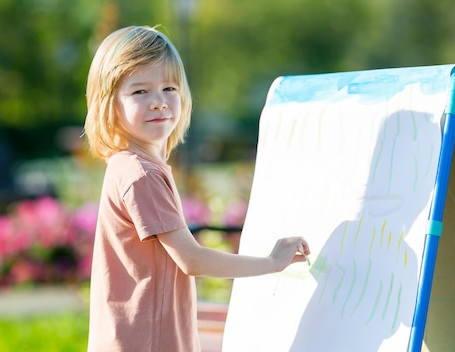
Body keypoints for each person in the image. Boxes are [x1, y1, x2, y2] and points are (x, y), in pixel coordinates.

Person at [83, 25, 310, 352]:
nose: (159, 102)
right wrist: (271, 262)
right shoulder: (140, 173)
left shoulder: (133, 165)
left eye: (169, 88)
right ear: (109, 104)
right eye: (140, 92)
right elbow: (191, 260)